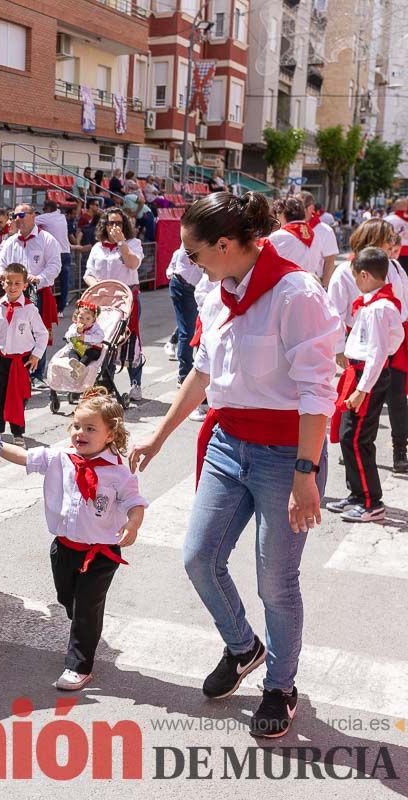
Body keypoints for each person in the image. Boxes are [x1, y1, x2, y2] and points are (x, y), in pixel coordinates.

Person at [130, 192, 341, 739]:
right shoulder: (215, 291)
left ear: (225, 245)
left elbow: (319, 391)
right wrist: (157, 435)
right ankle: (244, 646)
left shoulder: (297, 293)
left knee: (276, 581)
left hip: (284, 452)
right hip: (228, 443)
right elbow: (201, 372)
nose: (189, 264)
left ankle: (280, 685)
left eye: (194, 253)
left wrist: (305, 473)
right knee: (200, 557)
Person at [0, 388, 146, 690]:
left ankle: (79, 665)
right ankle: (80, 620)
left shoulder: (118, 473)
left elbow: (135, 501)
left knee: (86, 608)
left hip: (101, 554)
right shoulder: (60, 458)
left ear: (110, 435)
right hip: (64, 549)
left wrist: (133, 523)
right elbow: (24, 457)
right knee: (67, 599)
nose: (80, 432)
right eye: (77, 425)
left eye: (90, 428)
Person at [326, 220, 408, 472]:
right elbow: (335, 312)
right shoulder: (346, 271)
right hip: (360, 342)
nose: (393, 244)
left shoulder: (393, 267)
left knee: (396, 397)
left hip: (392, 340)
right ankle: (354, 453)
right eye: (388, 239)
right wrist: (339, 347)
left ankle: (399, 452)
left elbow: (403, 304)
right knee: (358, 402)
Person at [329, 248, 403, 523]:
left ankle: (371, 501)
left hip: (366, 377)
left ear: (364, 275)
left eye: (355, 278)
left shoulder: (379, 308)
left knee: (358, 438)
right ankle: (357, 493)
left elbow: (378, 352)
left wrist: (362, 389)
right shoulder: (373, 304)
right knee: (350, 435)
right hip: (359, 374)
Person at [0, 204, 61, 380]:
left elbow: (54, 265)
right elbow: (0, 263)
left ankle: (36, 373)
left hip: (37, 292)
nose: (17, 219)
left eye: (22, 214)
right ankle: (13, 366)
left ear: (33, 215)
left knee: (38, 331)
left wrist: (40, 278)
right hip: (13, 292)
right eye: (14, 215)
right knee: (14, 330)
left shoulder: (47, 240)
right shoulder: (10, 242)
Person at [84, 207, 144, 400]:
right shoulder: (97, 247)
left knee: (129, 340)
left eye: (118, 223)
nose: (115, 226)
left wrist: (121, 243)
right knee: (103, 340)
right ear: (105, 225)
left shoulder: (133, 243)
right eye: (111, 223)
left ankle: (136, 383)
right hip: (103, 301)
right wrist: (98, 287)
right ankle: (105, 382)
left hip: (126, 299)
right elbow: (89, 273)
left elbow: (133, 264)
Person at [0, 263, 48, 445]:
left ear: (24, 285)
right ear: (3, 284)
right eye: (9, 282)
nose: (13, 287)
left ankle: (18, 433)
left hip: (20, 361)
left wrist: (36, 355)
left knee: (19, 397)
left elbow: (42, 334)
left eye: (17, 283)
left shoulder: (30, 309)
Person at [166, 245, 203, 386]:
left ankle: (199, 371)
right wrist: (171, 272)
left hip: (200, 289)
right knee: (187, 332)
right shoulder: (192, 239)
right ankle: (184, 375)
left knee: (196, 328)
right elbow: (177, 259)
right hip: (181, 287)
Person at [268, 197, 325, 280]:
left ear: (282, 214)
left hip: (286, 287)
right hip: (312, 284)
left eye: (277, 215)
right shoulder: (315, 236)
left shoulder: (278, 237)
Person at [36, 200, 73, 312]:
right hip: (66, 252)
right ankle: (60, 309)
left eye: (44, 209)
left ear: (47, 209)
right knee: (64, 283)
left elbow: (29, 221)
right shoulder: (62, 216)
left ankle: (47, 307)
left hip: (54, 253)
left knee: (47, 281)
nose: (43, 211)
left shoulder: (46, 217)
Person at [300, 191, 339, 285]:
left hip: (315, 283)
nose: (293, 211)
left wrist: (324, 286)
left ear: (310, 208)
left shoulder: (325, 231)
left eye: (298, 208)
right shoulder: (289, 228)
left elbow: (329, 261)